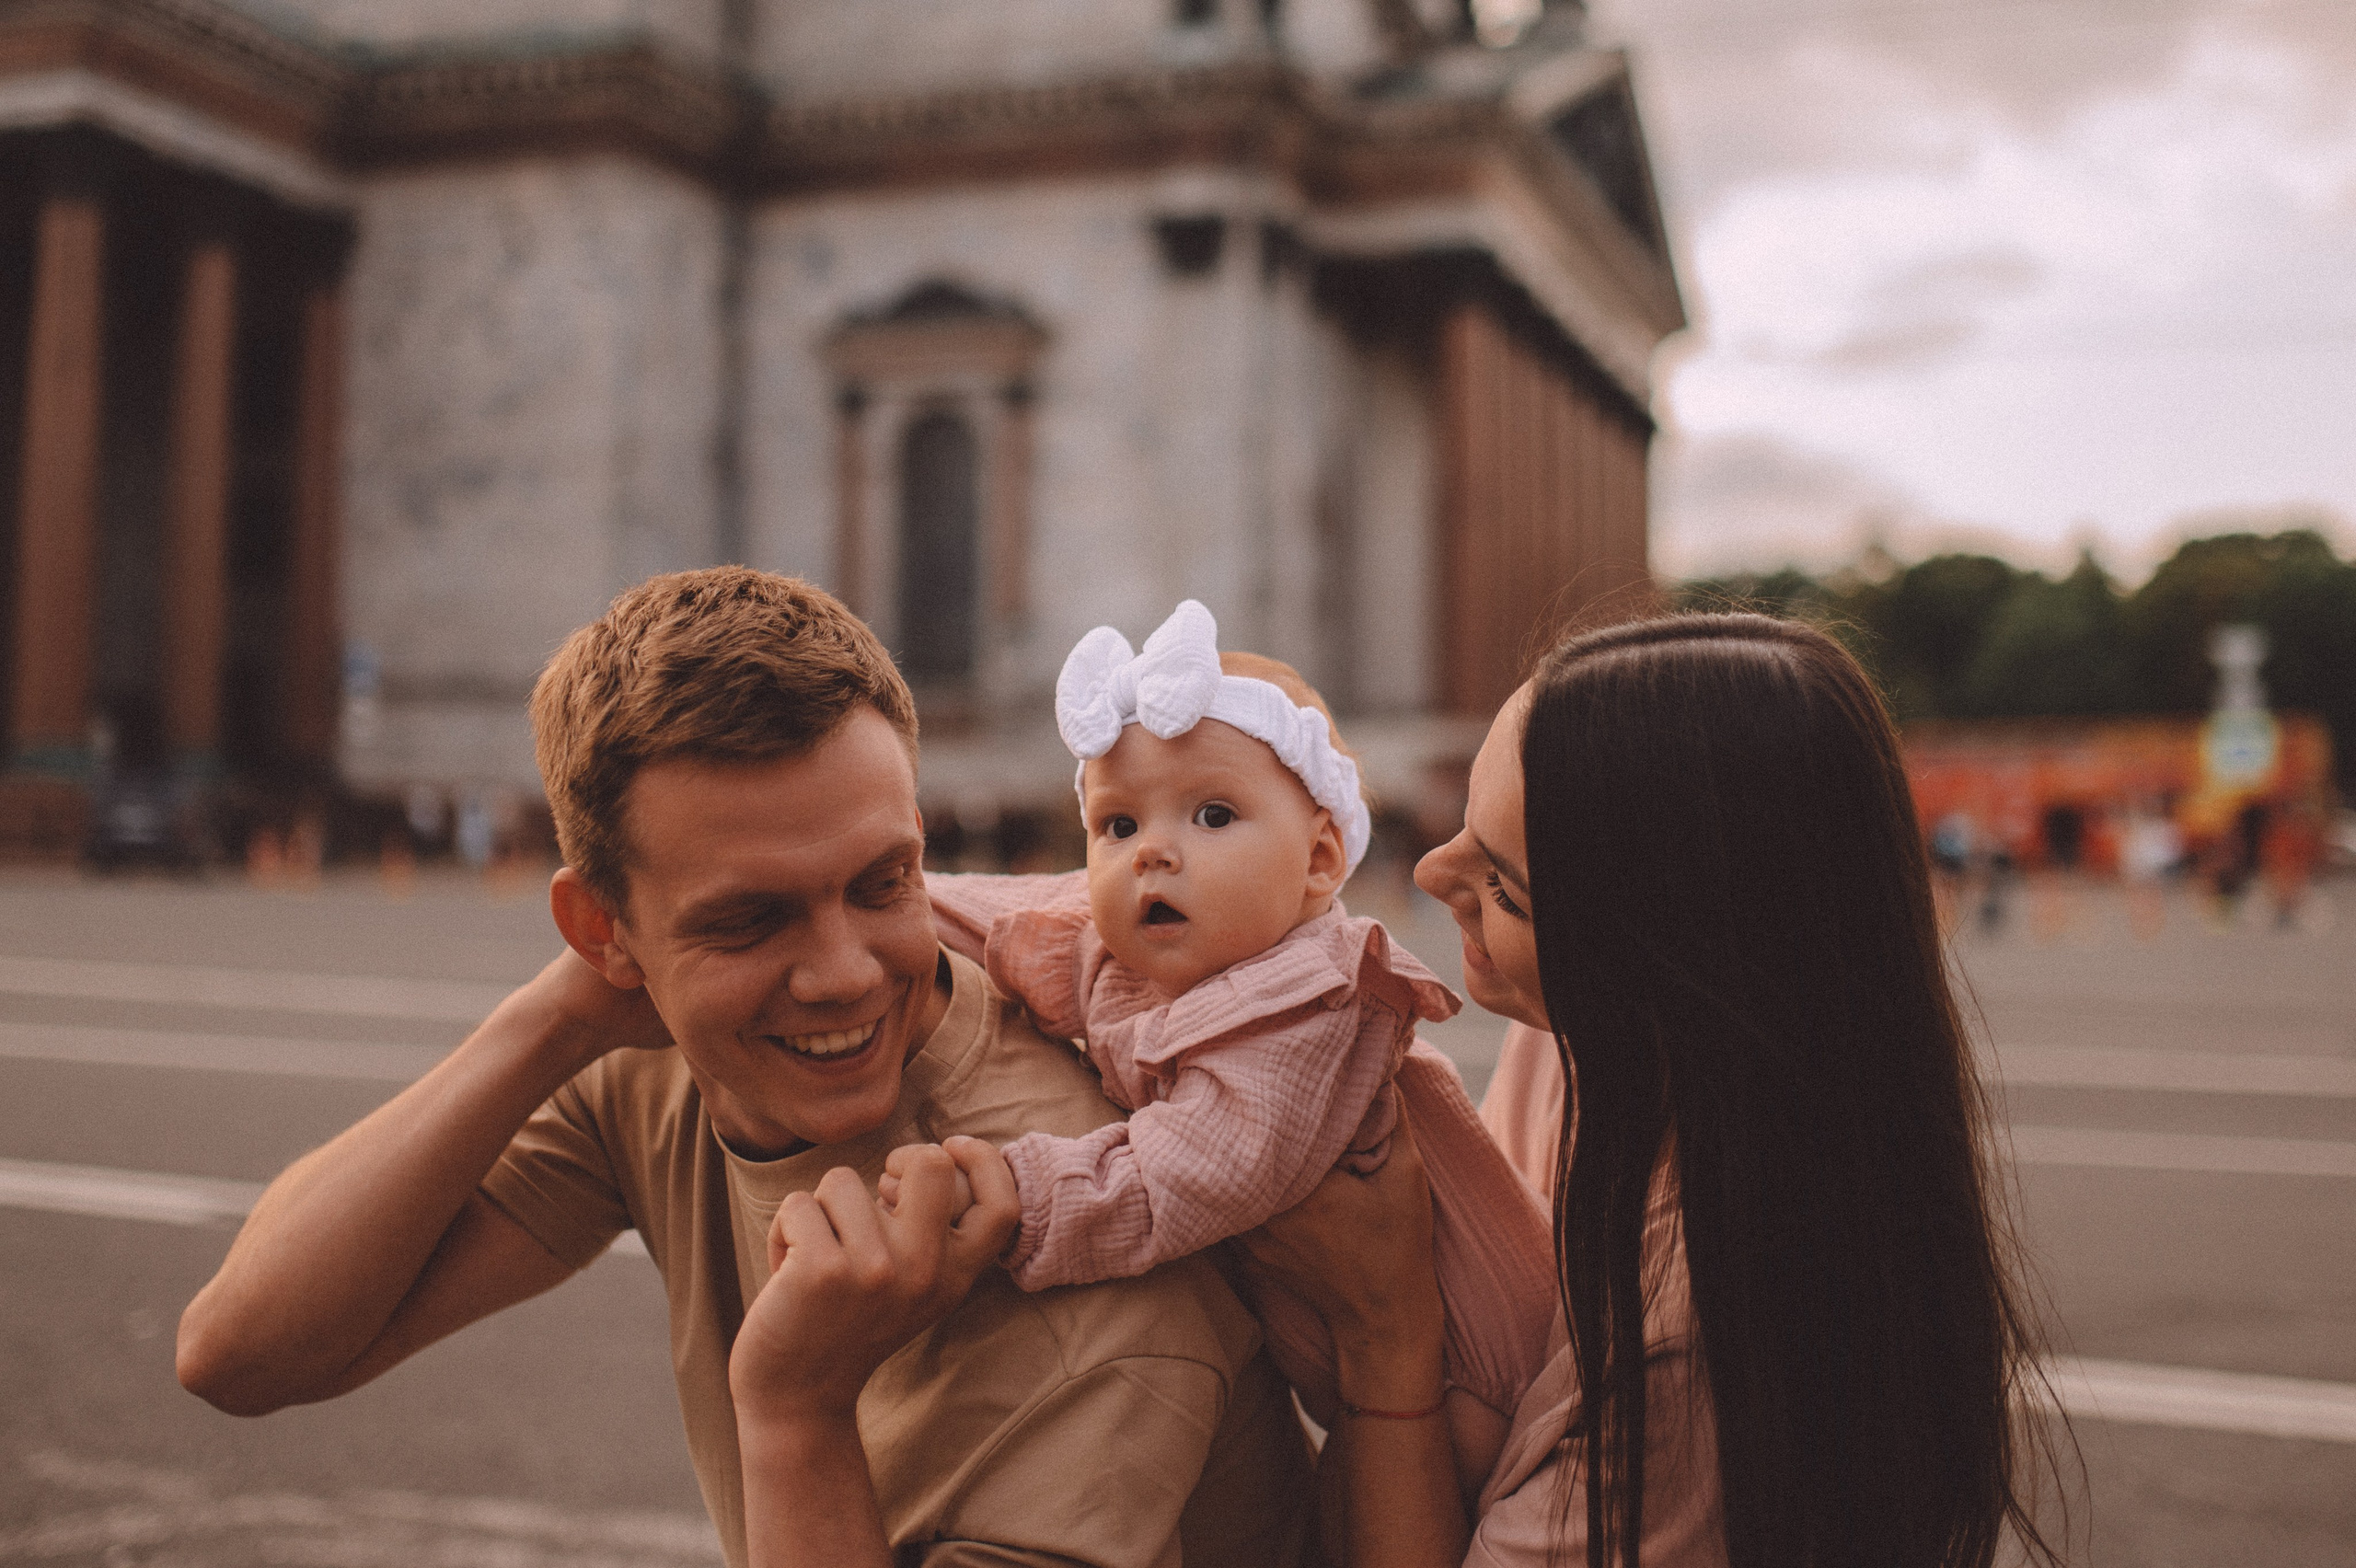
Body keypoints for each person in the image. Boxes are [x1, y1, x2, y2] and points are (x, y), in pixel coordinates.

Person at [176, 569, 1313, 1568]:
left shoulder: (1075, 1260)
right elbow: (242, 1353)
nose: (842, 976)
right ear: (601, 932)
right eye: (748, 920)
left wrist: (793, 1413)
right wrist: (555, 1024)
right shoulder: (651, 1058)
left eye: (884, 882)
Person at [1238, 613, 2066, 1568]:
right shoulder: (1577, 1046)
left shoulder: (1715, 1342)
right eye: (1463, 826)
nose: (1432, 874)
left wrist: (1382, 1335)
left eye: (1505, 887)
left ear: (1670, 958)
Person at [920, 601, 1556, 1500]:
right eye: (1118, 826)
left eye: (1212, 815)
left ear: (1318, 861)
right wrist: (896, 907)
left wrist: (1014, 1194)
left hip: (1483, 1371)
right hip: (1357, 1336)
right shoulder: (1163, 933)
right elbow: (1010, 912)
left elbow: (1187, 1172)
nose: (1154, 855)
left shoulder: (1306, 997)